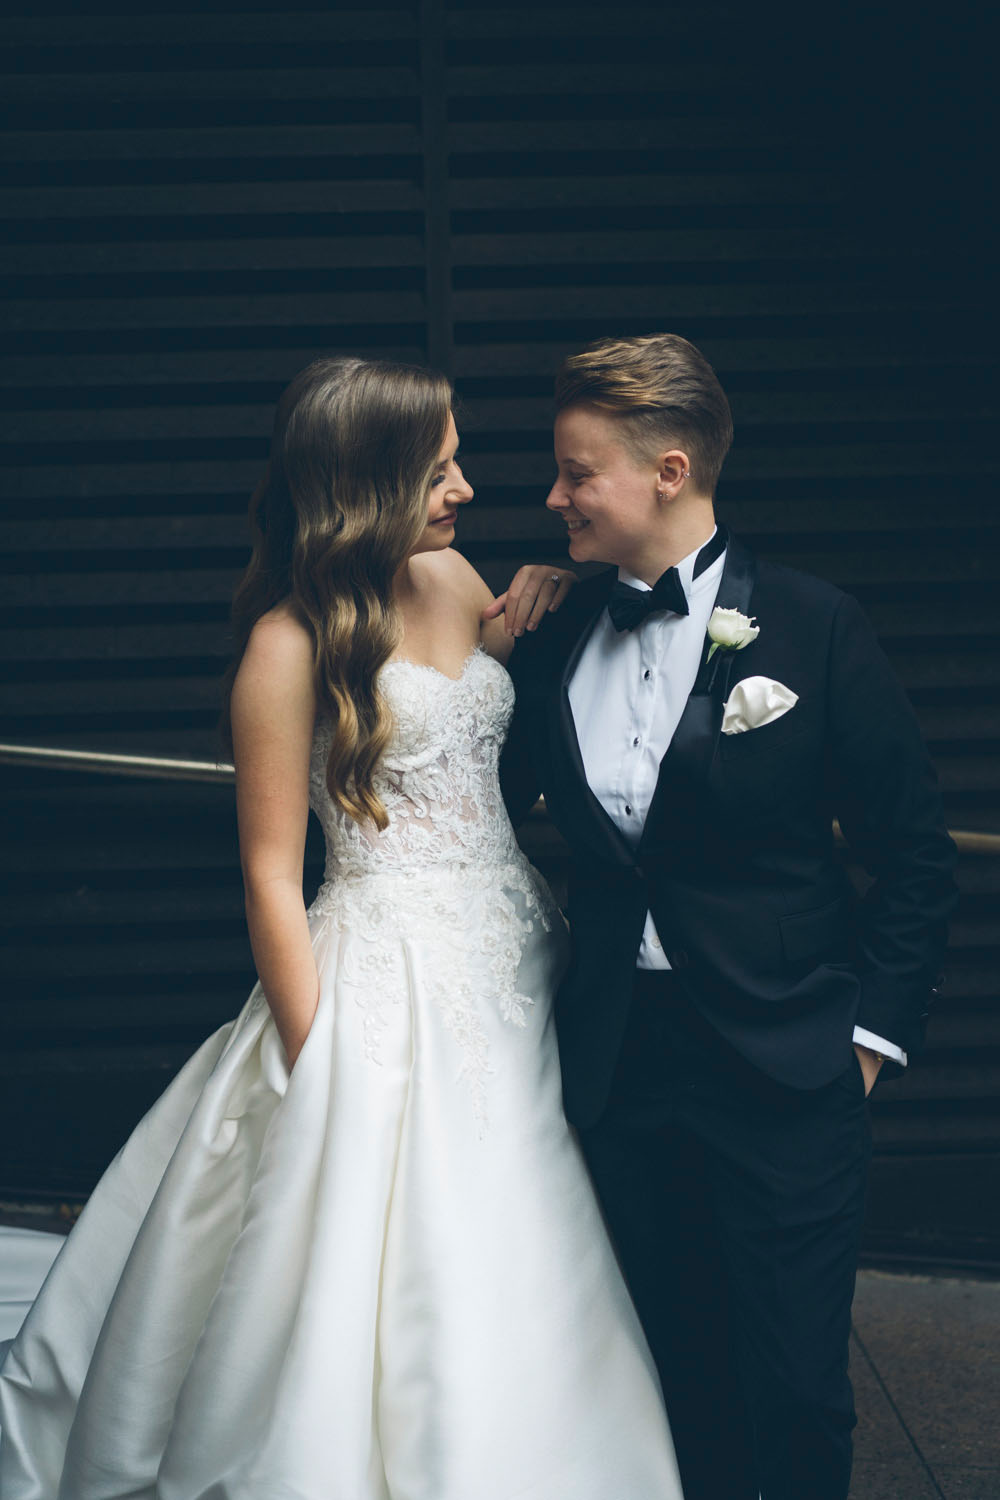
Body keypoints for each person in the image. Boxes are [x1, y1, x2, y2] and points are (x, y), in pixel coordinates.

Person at [0, 358, 683, 1498]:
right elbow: (271, 876)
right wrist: (317, 1050)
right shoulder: (289, 643)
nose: (465, 487)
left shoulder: (456, 576)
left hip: (517, 960)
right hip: (384, 978)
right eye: (439, 468)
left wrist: (546, 601)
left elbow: (492, 740)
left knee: (525, 1226)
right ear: (367, 482)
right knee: (393, 1241)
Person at [499, 333, 959, 1500]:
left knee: (794, 1387)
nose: (553, 496)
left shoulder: (814, 626)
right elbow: (479, 805)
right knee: (670, 1379)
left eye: (576, 472)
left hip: (785, 1068)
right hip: (620, 1065)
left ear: (668, 472)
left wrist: (864, 1042)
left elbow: (914, 858)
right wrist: (486, 650)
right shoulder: (552, 632)